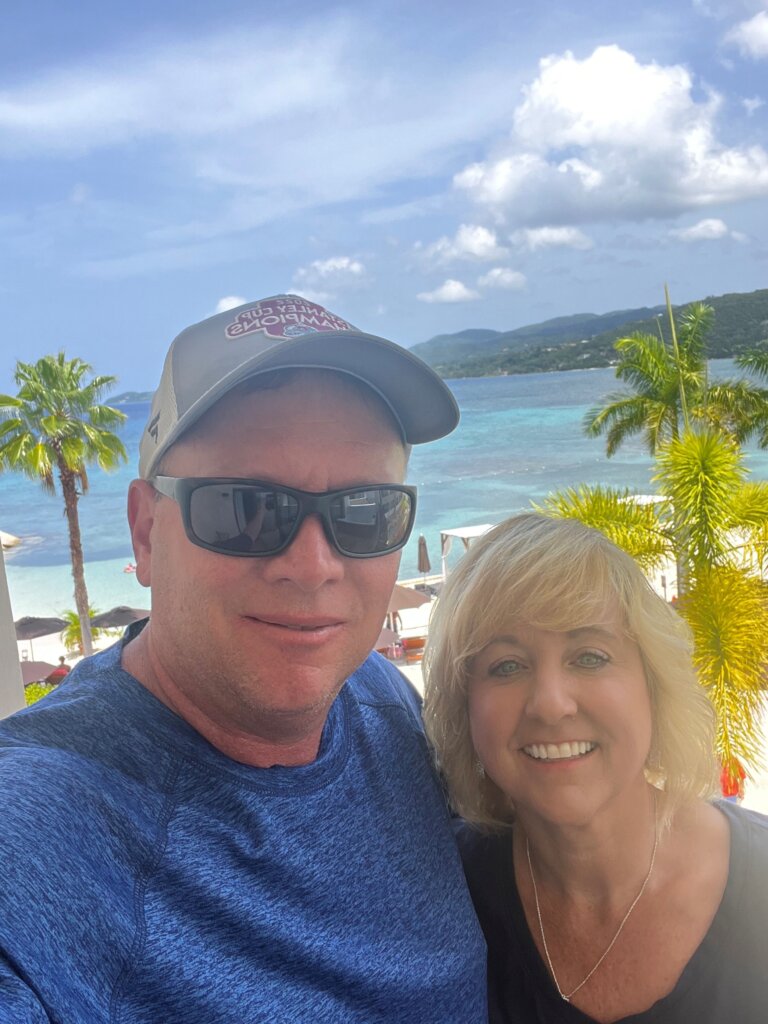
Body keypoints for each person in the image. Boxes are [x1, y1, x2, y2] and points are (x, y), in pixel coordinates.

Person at [0, 294, 486, 1022]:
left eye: (365, 511)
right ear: (144, 532)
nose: (315, 565)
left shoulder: (381, 698)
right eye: (245, 508)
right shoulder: (49, 823)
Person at [423, 512, 768, 1024]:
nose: (551, 704)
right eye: (507, 665)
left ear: (653, 687)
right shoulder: (442, 891)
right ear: (464, 708)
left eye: (589, 656)